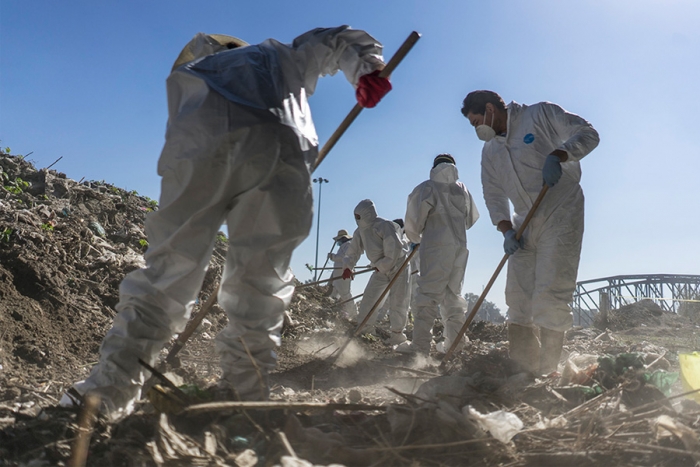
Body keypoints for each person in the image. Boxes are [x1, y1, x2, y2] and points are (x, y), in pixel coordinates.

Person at [60, 27, 392, 418]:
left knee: (170, 270)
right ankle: (244, 395)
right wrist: (367, 70)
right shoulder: (277, 57)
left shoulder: (195, 72)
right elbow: (337, 39)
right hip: (284, 146)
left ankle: (106, 391)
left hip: (204, 137)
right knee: (261, 280)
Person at [461, 90, 599, 374]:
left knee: (551, 290)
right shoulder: (491, 151)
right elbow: (493, 193)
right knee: (517, 295)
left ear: (490, 109)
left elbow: (588, 133)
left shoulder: (539, 115)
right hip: (522, 223)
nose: (476, 128)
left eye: (476, 122)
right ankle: (522, 367)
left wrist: (560, 155)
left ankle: (547, 369)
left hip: (559, 210)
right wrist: (506, 231)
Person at [397, 154, 479, 356]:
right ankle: (455, 344)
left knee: (428, 295)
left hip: (435, 247)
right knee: (453, 295)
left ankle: (420, 347)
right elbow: (470, 219)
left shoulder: (427, 188)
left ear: (434, 167)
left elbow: (414, 222)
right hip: (459, 247)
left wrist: (415, 237)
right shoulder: (463, 189)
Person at [341, 200, 410, 345]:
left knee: (398, 301)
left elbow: (394, 249)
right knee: (369, 298)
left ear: (367, 213)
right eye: (355, 216)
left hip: (398, 265)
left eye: (358, 216)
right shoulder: (359, 232)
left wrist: (383, 265)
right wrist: (348, 267)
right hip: (380, 268)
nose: (357, 219)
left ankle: (397, 335)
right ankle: (366, 331)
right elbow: (353, 252)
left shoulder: (384, 226)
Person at [328, 229, 358, 320]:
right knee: (335, 291)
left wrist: (333, 257)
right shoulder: (344, 246)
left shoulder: (348, 246)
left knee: (345, 294)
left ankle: (354, 314)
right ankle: (332, 309)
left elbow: (343, 258)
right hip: (338, 273)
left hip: (344, 272)